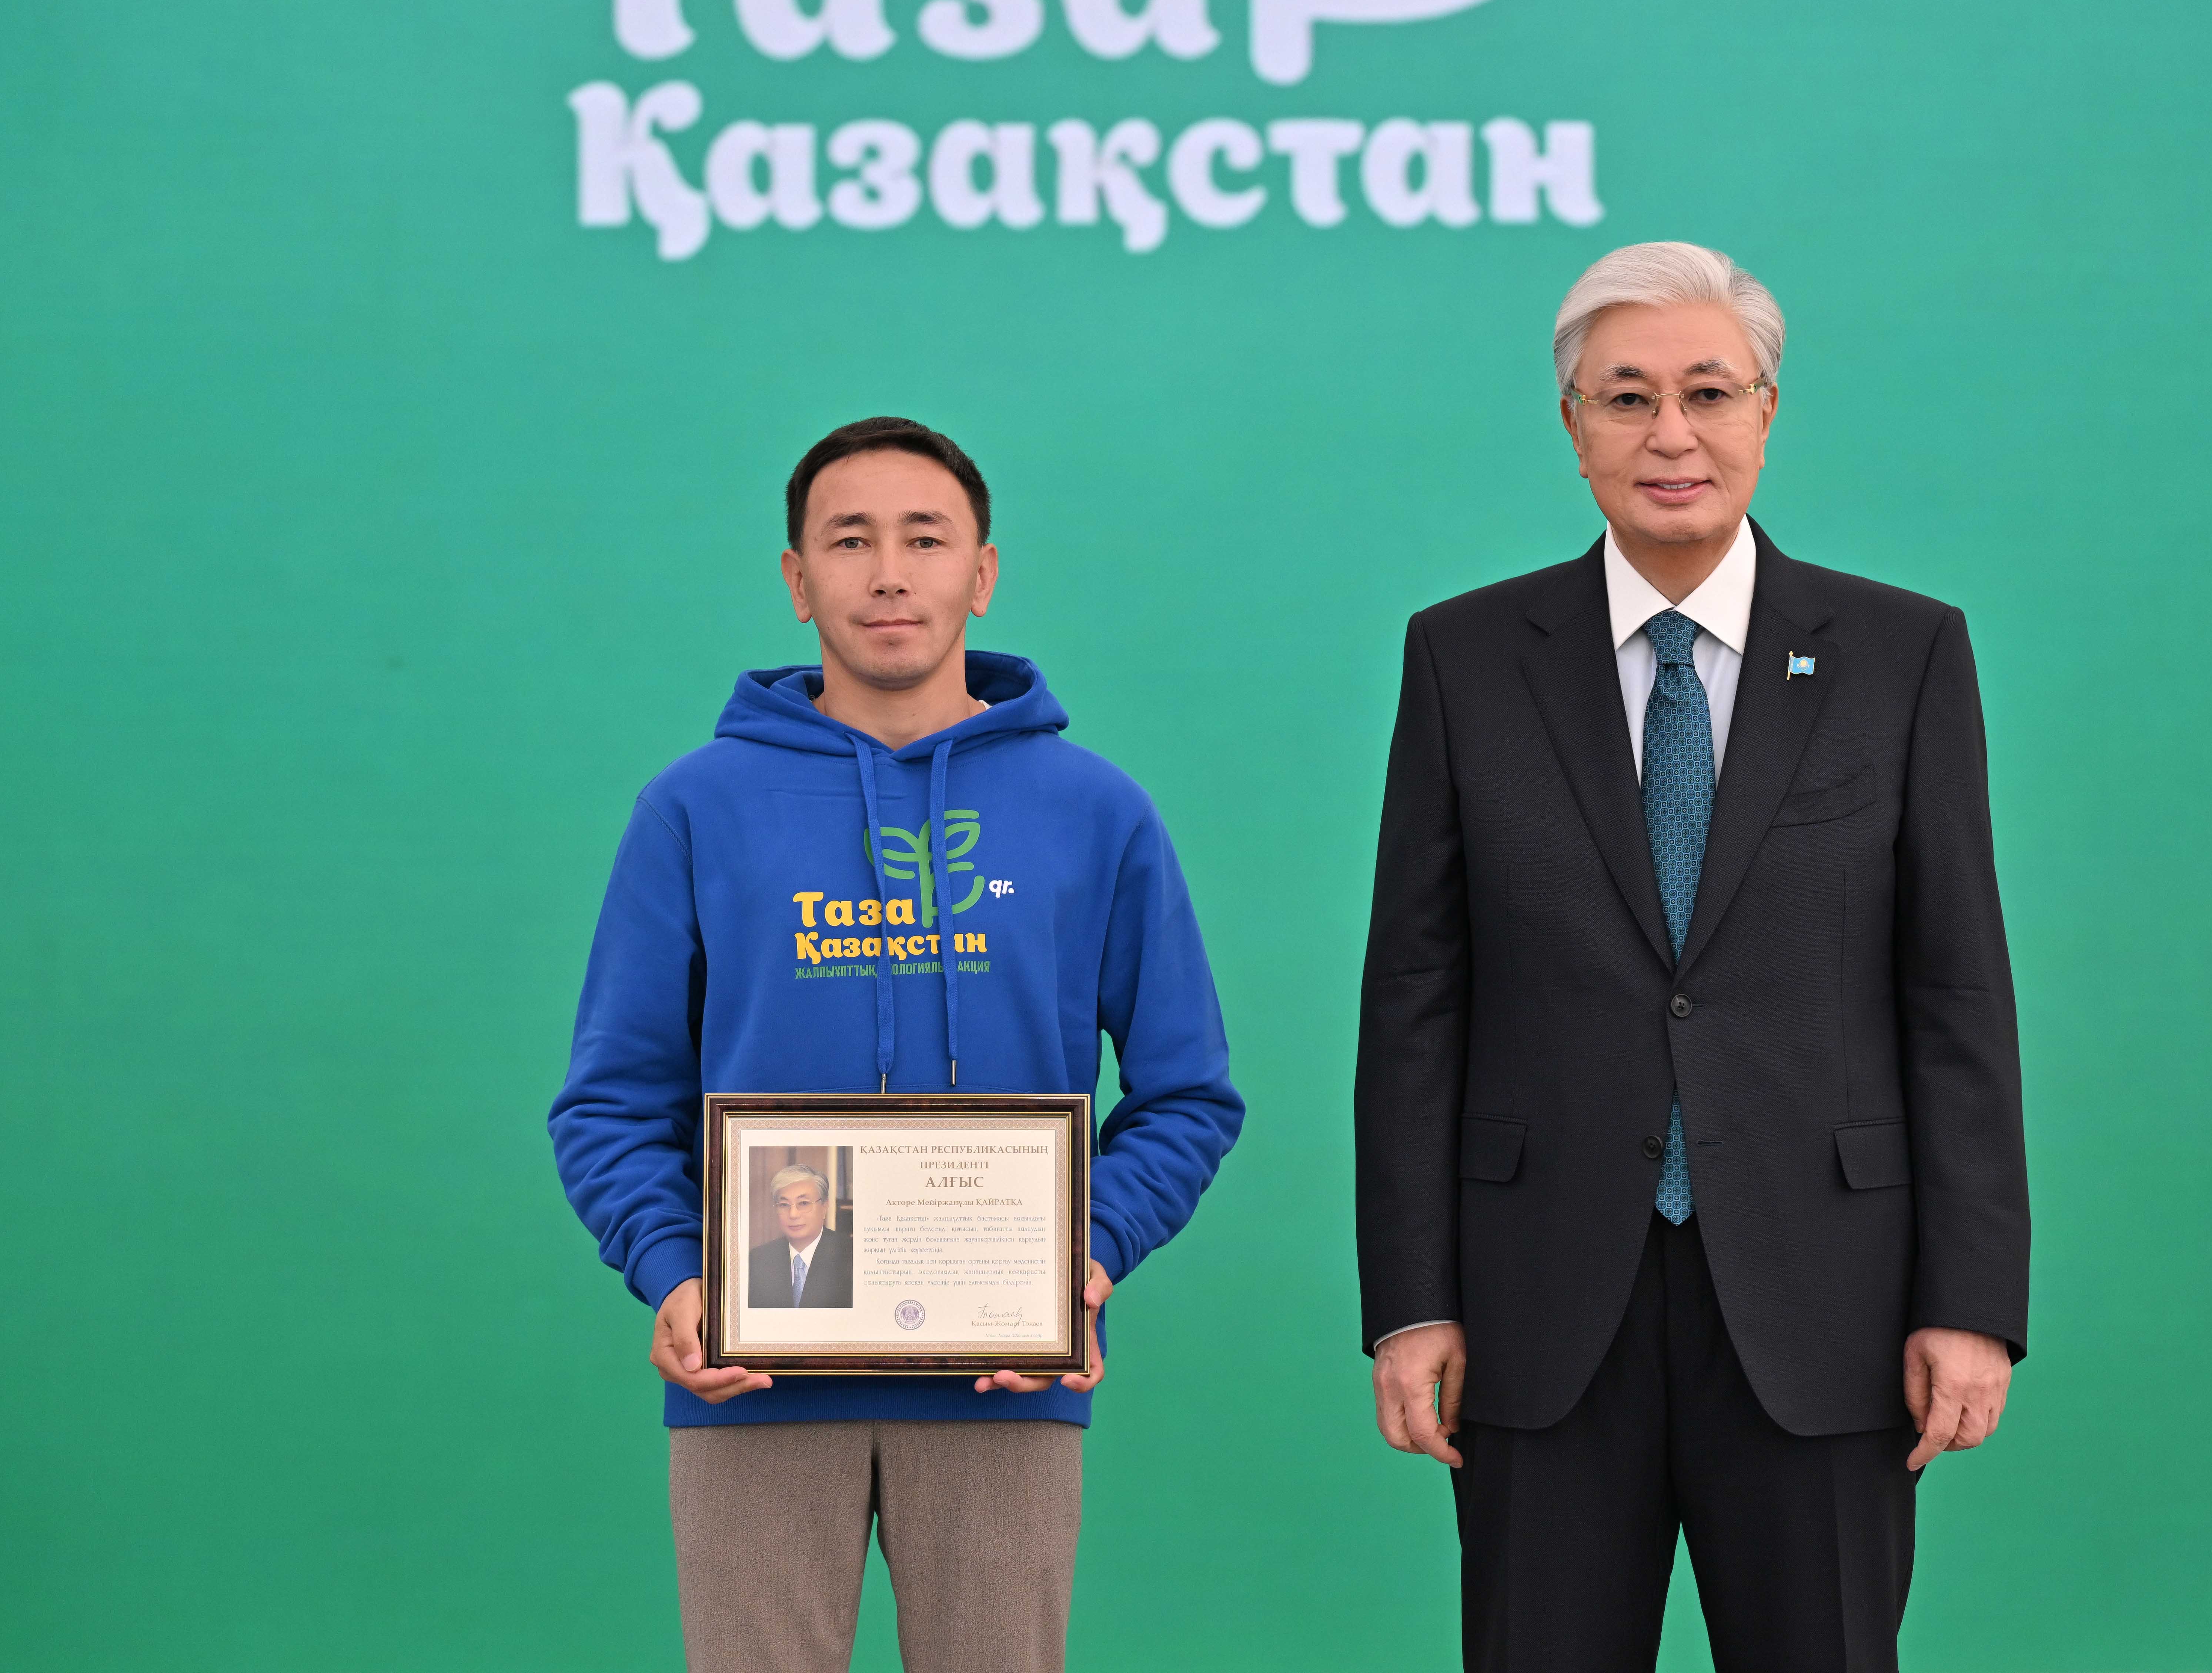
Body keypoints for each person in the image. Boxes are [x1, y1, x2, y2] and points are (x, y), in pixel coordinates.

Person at [1355, 242, 2029, 1673]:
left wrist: (1969, 1301)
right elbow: (1416, 1000)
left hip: (1826, 1304)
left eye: (1708, 392)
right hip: (1541, 1306)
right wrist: (1411, 1299)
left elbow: (1955, 993)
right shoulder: (1465, 657)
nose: (1671, 433)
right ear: (1573, 427)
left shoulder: (1901, 653)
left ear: (1766, 412)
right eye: (1627, 398)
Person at [552, 417, 1243, 1673]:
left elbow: (1189, 1094)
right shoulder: (694, 807)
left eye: (924, 539)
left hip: (1002, 1379)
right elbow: (610, 1103)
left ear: (982, 572)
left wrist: (1081, 1259)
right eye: (848, 540)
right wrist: (675, 1274)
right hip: (750, 1380)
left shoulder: (1096, 811)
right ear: (795, 577)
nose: (887, 574)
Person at [745, 1164, 851, 1309]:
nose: (793, 1214)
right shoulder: (759, 1260)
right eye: (784, 1205)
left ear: (824, 1207)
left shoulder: (851, 1255)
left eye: (804, 1203)